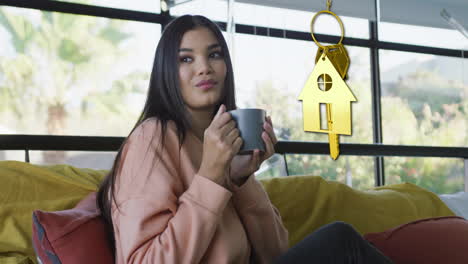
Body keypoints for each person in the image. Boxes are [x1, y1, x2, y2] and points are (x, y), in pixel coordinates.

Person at [97, 15, 393, 264]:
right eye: (186, 59)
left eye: (214, 55)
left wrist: (239, 180)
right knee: (340, 241)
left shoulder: (216, 145)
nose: (204, 67)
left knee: (340, 242)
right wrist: (211, 177)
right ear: (166, 72)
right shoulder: (153, 137)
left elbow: (275, 253)